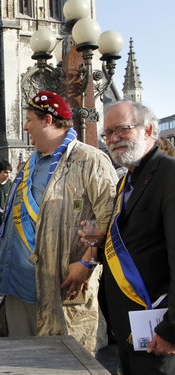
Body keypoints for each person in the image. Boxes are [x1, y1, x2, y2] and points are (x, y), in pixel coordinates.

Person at [0, 90, 118, 353]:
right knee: (22, 364)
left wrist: (87, 261)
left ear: (48, 120)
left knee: (65, 362)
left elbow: (111, 218)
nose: (25, 126)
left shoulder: (91, 159)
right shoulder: (29, 163)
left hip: (60, 290)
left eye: (29, 119)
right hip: (19, 287)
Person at [82, 101, 175, 374]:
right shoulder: (127, 181)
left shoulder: (169, 175)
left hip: (159, 330)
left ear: (148, 130)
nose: (113, 139)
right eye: (107, 133)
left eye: (122, 129)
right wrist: (99, 244)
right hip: (130, 329)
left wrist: (171, 329)